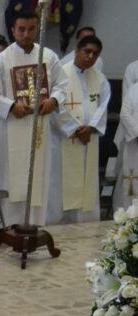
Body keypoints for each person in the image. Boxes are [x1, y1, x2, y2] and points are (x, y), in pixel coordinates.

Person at [0, 10, 67, 226]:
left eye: (31, 29)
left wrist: (54, 101)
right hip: (11, 126)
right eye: (21, 29)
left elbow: (63, 85)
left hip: (39, 124)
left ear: (38, 29)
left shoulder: (49, 57)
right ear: (13, 30)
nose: (26, 34)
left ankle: (35, 224)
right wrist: (11, 106)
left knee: (37, 175)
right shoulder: (1, 61)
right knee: (10, 177)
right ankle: (8, 226)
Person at [51, 35, 109, 224]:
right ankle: (62, 220)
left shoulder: (99, 79)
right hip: (66, 138)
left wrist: (91, 127)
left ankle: (86, 220)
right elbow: (56, 106)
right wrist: (76, 129)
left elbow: (103, 105)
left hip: (89, 138)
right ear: (77, 50)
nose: (91, 57)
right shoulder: (61, 75)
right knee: (65, 179)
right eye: (87, 51)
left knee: (87, 178)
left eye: (95, 54)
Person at [114, 81, 138, 210]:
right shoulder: (134, 89)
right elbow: (125, 113)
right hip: (134, 145)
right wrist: (136, 132)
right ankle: (131, 219)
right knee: (131, 179)